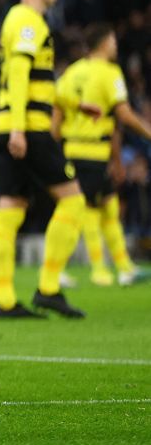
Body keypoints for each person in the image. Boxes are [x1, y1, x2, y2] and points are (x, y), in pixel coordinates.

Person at [0, 0, 89, 320]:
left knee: (11, 208)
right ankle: (48, 288)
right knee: (74, 201)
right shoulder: (27, 20)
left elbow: (36, 81)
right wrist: (19, 128)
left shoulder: (18, 19)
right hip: (27, 128)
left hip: (10, 125)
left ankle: (6, 300)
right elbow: (18, 72)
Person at [54, 23, 151, 286]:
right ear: (104, 43)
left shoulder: (71, 73)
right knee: (85, 211)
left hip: (73, 149)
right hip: (94, 151)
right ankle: (91, 269)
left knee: (107, 206)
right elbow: (124, 115)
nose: (116, 46)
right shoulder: (109, 73)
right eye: (113, 41)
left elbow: (57, 112)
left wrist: (53, 149)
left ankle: (124, 266)